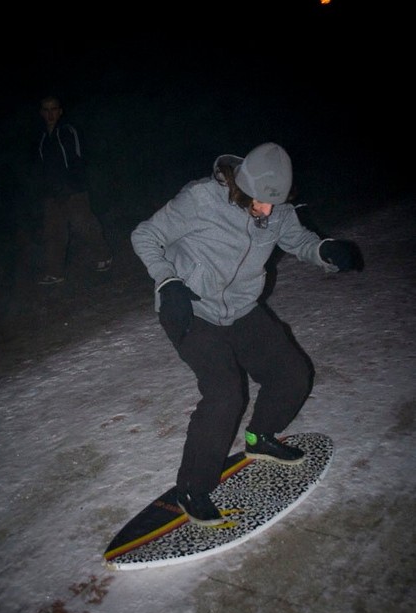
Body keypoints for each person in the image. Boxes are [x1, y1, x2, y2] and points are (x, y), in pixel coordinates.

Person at [131, 142, 364, 526]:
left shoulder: (277, 209)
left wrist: (325, 250)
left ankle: (260, 437)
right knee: (224, 394)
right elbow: (145, 235)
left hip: (240, 309)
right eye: (259, 201)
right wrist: (168, 280)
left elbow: (298, 240)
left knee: (292, 373)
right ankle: (192, 488)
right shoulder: (201, 199)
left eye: (275, 203)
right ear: (241, 185)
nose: (267, 211)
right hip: (189, 307)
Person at [36, 95, 112, 284]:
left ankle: (104, 256)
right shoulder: (43, 138)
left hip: (73, 190)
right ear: (42, 113)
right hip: (51, 193)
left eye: (54, 109)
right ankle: (55, 272)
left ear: (60, 111)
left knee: (83, 224)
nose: (50, 113)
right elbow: (41, 166)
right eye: (46, 110)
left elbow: (77, 159)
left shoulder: (68, 131)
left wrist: (72, 186)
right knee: (53, 231)